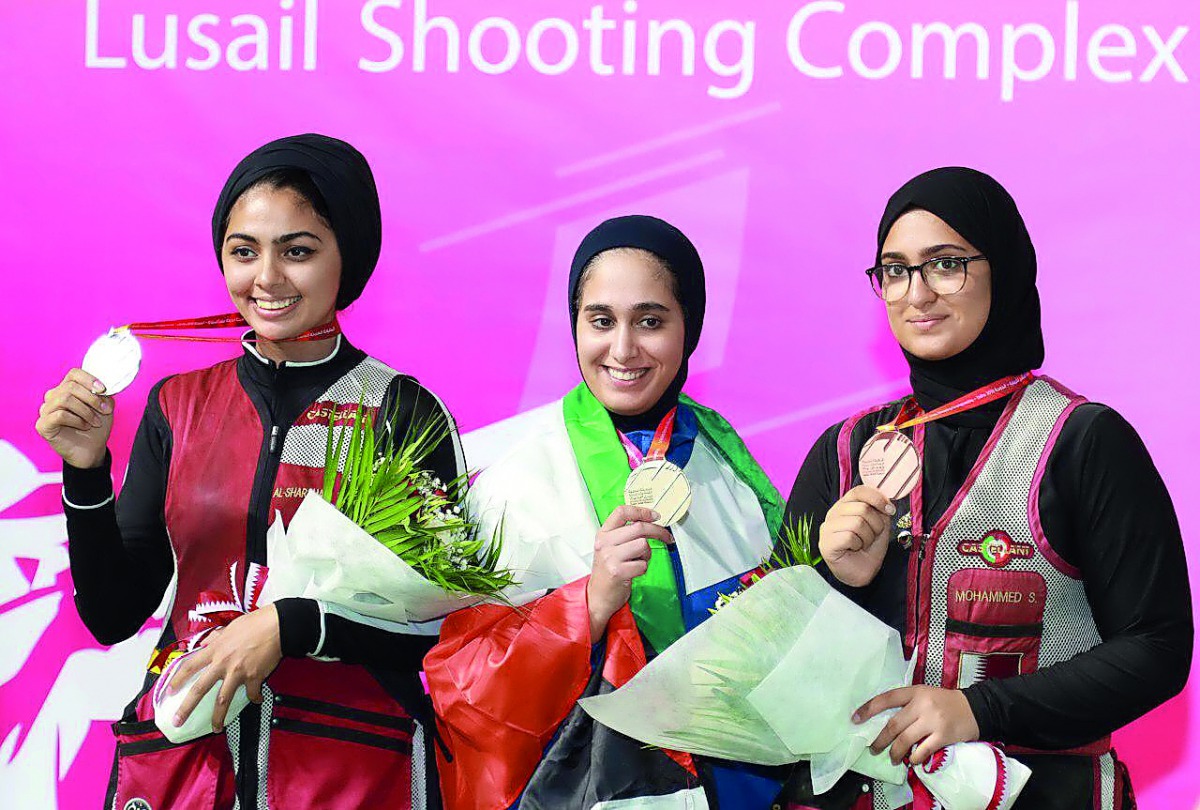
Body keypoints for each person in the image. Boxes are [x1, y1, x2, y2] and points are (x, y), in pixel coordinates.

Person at [35, 133, 463, 809]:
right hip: (186, 770)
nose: (266, 277)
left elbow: (446, 623)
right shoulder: (178, 406)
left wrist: (292, 626)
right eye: (244, 251)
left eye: (298, 251)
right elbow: (114, 614)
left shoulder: (399, 409)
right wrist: (85, 472)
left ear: (347, 258)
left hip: (350, 773)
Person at [779, 167, 1191, 809]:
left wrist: (979, 709)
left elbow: (1156, 647)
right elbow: (762, 667)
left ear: (1004, 269)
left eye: (946, 264)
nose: (917, 293)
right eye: (895, 270)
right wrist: (837, 582)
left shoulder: (1081, 441)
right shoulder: (844, 452)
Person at [425, 215, 789, 808]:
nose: (622, 349)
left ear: (690, 327)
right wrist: (588, 607)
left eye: (650, 321)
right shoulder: (516, 478)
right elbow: (464, 691)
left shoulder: (727, 463)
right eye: (601, 321)